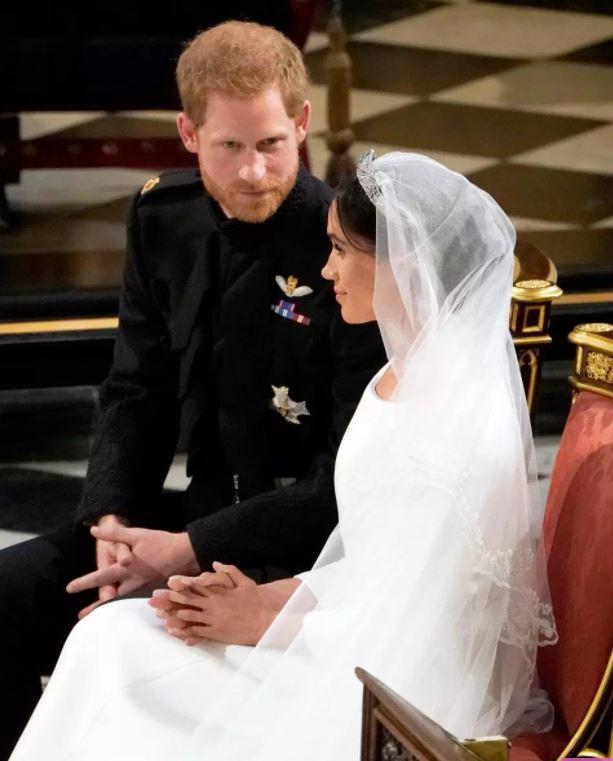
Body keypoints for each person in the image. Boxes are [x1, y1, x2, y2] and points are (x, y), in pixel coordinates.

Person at [10, 151, 557, 761]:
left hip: (391, 688)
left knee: (118, 666)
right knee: (106, 635)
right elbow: (370, 562)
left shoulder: (459, 423)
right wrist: (261, 599)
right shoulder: (398, 373)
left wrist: (263, 622)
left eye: (342, 251)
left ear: (401, 262)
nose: (326, 271)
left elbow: (430, 621)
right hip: (340, 634)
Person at [0, 21, 386, 759]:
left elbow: (340, 479)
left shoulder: (348, 249)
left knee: (118, 652)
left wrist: (181, 551)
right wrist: (113, 527)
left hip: (290, 550)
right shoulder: (160, 219)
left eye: (272, 144)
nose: (252, 172)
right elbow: (134, 390)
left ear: (302, 125)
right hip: (188, 515)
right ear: (186, 133)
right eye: (229, 147)